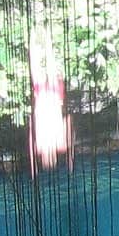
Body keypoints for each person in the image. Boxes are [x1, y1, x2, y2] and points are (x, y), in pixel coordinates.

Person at [27, 27, 72, 171]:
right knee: (49, 66)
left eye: (45, 159)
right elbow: (68, 122)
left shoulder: (41, 147)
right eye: (49, 158)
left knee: (36, 68)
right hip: (52, 98)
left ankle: (34, 37)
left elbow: (31, 132)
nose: (47, 156)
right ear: (53, 157)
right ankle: (45, 36)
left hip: (44, 100)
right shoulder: (60, 145)